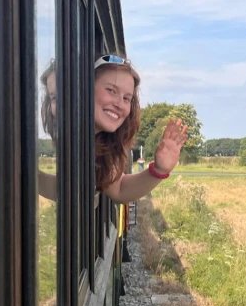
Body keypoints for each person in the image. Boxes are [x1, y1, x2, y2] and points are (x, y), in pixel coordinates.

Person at [36, 54, 187, 204]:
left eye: (126, 98)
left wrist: (159, 170)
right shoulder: (74, 140)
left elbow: (118, 189)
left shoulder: (97, 143)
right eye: (111, 90)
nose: (119, 104)